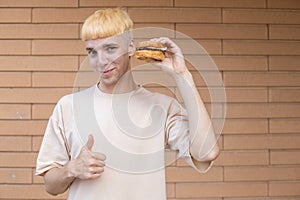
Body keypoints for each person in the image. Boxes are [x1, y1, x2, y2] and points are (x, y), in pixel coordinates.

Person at [36, 8, 219, 200]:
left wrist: (183, 75)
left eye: (110, 48)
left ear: (131, 47)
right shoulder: (68, 106)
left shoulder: (162, 107)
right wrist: (71, 169)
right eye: (92, 52)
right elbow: (51, 185)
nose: (101, 61)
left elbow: (206, 153)